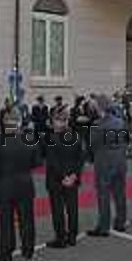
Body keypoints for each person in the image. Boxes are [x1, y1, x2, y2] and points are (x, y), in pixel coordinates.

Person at [0, 107, 38, 261]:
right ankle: (28, 250)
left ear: (4, 122)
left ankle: (6, 254)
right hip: (25, 183)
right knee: (27, 219)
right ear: (18, 122)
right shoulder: (28, 138)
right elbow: (36, 162)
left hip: (5, 185)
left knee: (6, 222)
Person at [87, 94, 129, 236]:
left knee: (103, 194)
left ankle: (104, 226)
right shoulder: (120, 121)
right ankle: (121, 222)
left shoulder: (98, 124)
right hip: (120, 159)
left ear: (99, 107)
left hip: (104, 161)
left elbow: (93, 144)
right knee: (120, 193)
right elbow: (126, 139)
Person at [45, 106, 84, 248]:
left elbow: (52, 162)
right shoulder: (75, 135)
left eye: (54, 120)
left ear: (58, 121)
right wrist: (73, 175)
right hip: (72, 178)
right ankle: (72, 237)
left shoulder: (52, 138)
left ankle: (61, 238)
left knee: (58, 209)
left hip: (56, 180)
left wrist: (64, 177)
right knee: (72, 208)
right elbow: (81, 158)